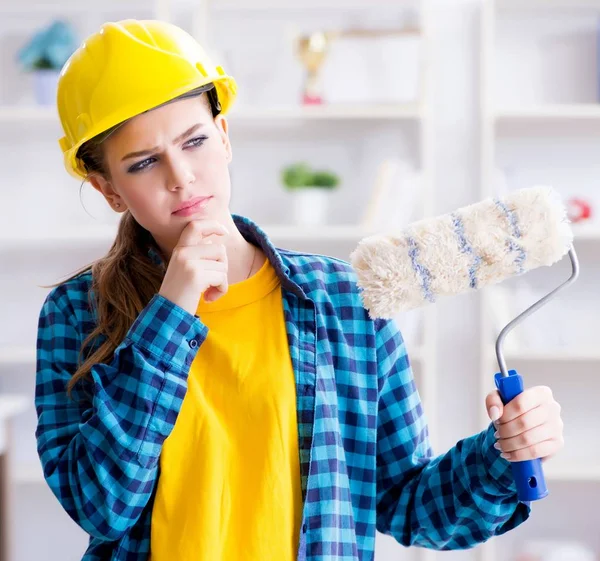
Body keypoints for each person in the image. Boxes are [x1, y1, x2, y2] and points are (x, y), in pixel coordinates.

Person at [35, 19, 565, 561]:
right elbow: (101, 507)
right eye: (143, 162)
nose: (181, 176)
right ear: (108, 189)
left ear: (224, 136)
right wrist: (171, 313)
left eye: (194, 141)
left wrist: (502, 453)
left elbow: (409, 504)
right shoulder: (76, 314)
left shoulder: (345, 301)